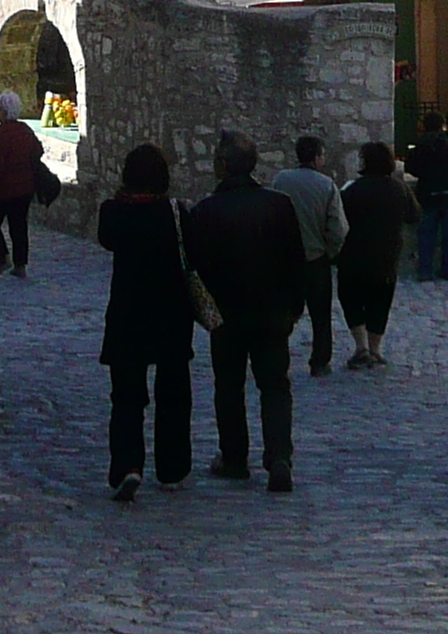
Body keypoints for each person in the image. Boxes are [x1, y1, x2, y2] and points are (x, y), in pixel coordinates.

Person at [181, 132, 308, 492]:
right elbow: (296, 262)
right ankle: (279, 456)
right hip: (272, 313)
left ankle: (235, 457)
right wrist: (294, 307)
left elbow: (197, 269)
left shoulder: (205, 212)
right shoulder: (278, 205)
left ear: (222, 165)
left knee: (229, 387)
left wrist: (205, 315)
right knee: (275, 387)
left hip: (227, 316)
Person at [93, 142, 194, 501]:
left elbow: (107, 241)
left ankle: (127, 467)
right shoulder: (177, 214)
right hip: (171, 315)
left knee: (126, 397)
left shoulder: (113, 213)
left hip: (127, 314)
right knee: (174, 395)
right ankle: (172, 467)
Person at [266, 134, 351, 378]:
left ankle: (276, 356)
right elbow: (338, 227)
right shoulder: (326, 185)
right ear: (316, 158)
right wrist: (330, 251)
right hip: (315, 259)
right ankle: (320, 361)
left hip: (286, 259)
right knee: (320, 315)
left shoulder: (281, 180)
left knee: (283, 312)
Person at [337, 140, 420, 367]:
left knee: (352, 301)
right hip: (386, 255)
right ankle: (375, 349)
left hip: (354, 255)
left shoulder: (352, 189)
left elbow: (338, 218)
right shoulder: (398, 188)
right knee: (380, 302)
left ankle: (361, 346)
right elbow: (414, 216)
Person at [0, 91, 44, 278]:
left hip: (3, 189)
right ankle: (20, 264)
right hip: (24, 188)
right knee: (18, 225)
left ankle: (2, 258)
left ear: (5, 111)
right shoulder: (25, 130)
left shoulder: (1, 135)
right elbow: (38, 151)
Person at [406, 123, 448, 281]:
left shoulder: (420, 146)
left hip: (428, 194)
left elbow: (411, 167)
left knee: (426, 235)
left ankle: (425, 271)